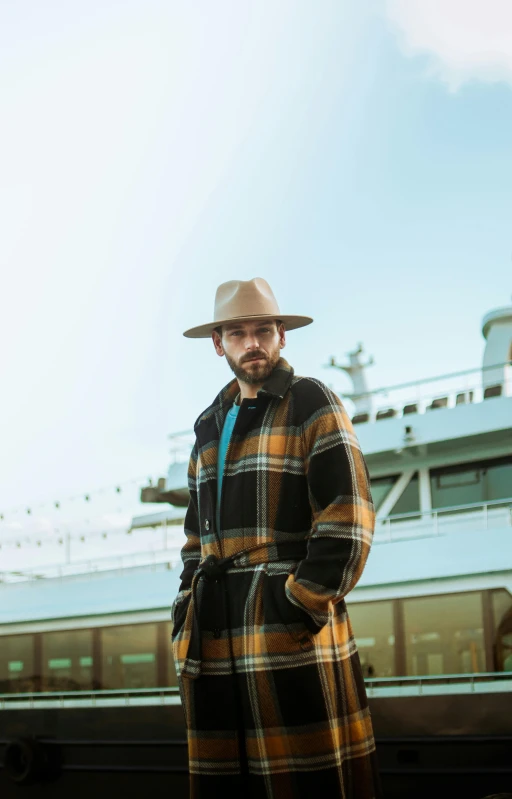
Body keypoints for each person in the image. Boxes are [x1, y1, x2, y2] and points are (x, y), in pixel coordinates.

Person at [172, 277, 381, 798]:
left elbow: (347, 518)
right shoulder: (207, 426)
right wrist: (185, 610)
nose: (253, 343)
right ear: (218, 343)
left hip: (287, 633)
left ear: (281, 335)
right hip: (215, 631)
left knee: (305, 781)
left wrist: (299, 606)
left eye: (263, 329)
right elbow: (196, 542)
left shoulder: (313, 400)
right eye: (238, 333)